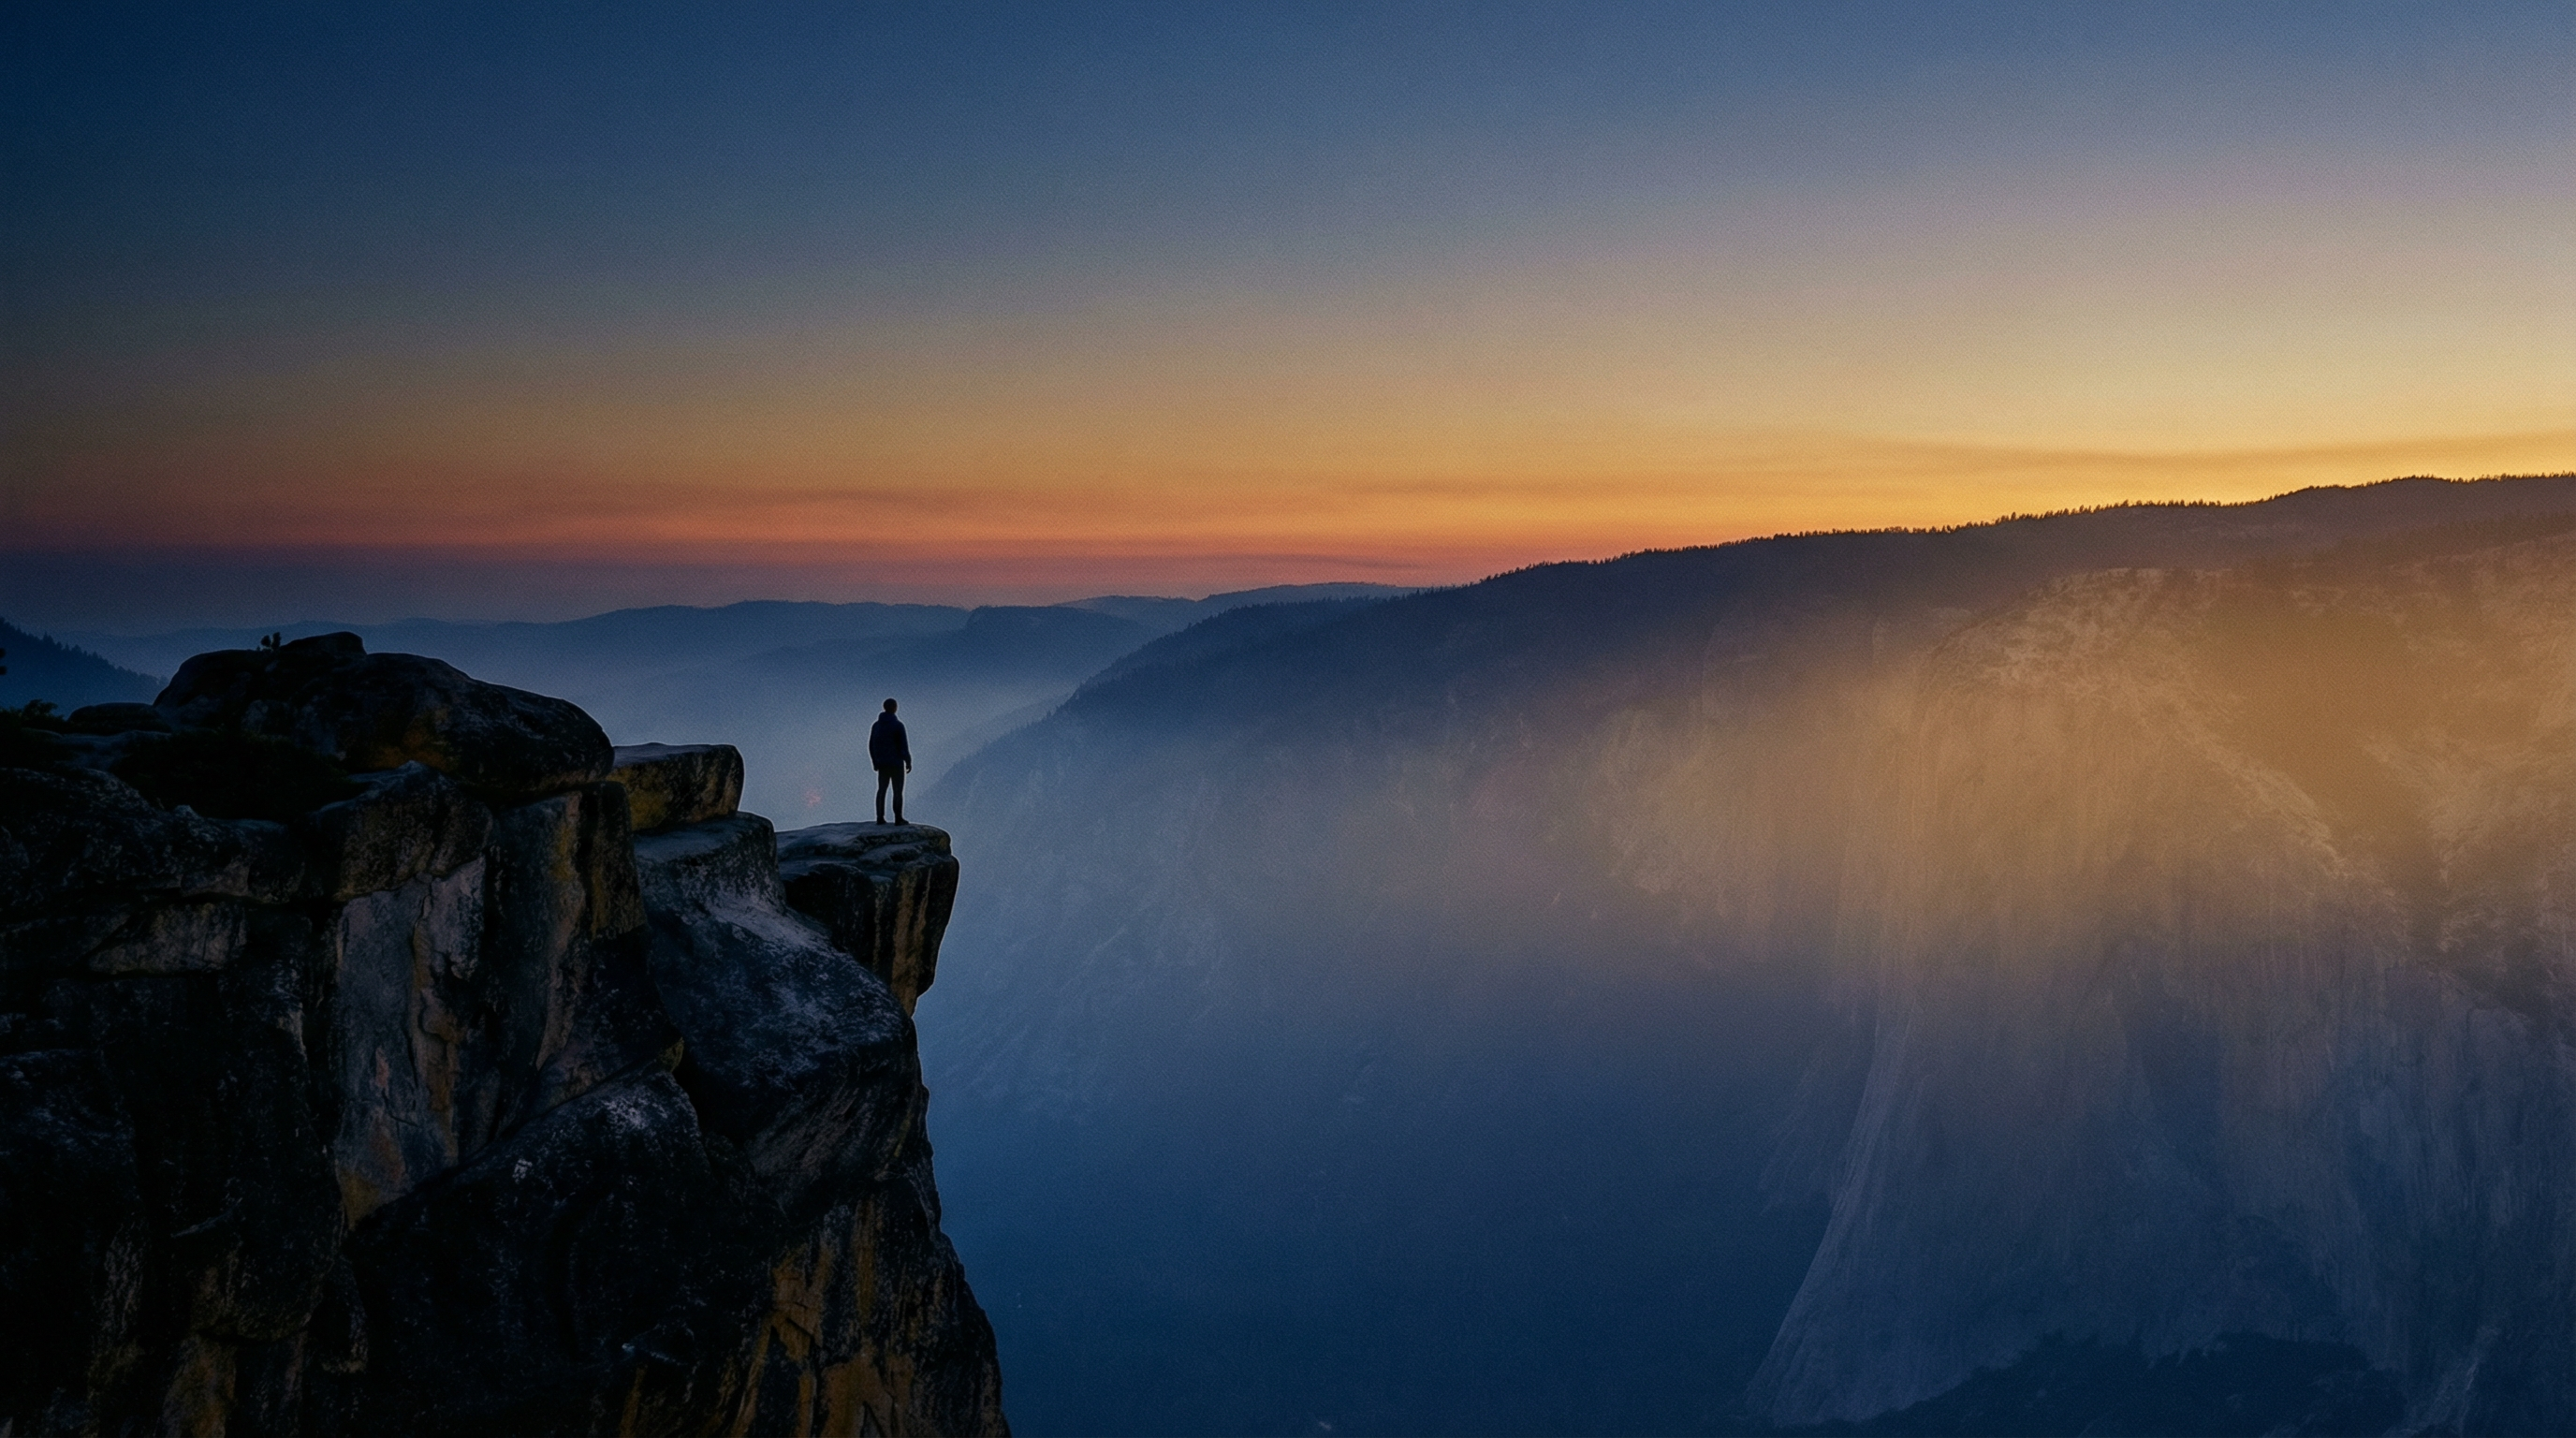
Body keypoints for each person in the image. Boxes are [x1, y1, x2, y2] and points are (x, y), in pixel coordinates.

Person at [869, 697, 911, 824]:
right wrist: (908, 761)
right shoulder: (898, 725)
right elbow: (903, 746)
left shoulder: (876, 726)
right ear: (894, 708)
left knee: (881, 790)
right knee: (897, 791)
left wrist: (875, 761)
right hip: (896, 764)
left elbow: (871, 745)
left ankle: (880, 818)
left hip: (882, 764)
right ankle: (898, 818)